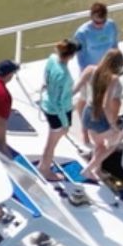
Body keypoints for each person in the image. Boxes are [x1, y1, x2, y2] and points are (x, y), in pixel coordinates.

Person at [37, 39, 80, 177]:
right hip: (57, 111)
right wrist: (65, 123)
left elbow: (46, 76)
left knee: (52, 140)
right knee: (52, 142)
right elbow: (59, 103)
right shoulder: (64, 76)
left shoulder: (51, 59)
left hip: (47, 103)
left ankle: (44, 164)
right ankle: (44, 169)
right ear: (71, 56)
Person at [79, 48, 123, 167]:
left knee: (99, 146)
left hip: (87, 114)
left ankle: (97, 170)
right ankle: (89, 169)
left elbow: (74, 90)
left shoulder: (90, 69)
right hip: (99, 117)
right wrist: (113, 125)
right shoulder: (113, 78)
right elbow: (106, 105)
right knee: (116, 140)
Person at [70, 0, 120, 71]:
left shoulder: (112, 25)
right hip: (92, 72)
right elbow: (81, 59)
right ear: (91, 17)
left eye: (103, 22)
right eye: (96, 22)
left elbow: (115, 46)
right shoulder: (82, 33)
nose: (100, 25)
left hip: (110, 69)